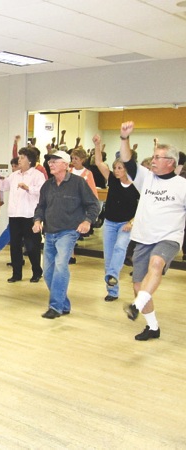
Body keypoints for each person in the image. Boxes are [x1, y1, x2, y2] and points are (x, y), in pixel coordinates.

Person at [119, 121, 186, 341]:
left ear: (171, 162)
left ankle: (136, 306)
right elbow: (128, 160)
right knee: (139, 286)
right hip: (143, 238)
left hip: (169, 238)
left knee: (157, 263)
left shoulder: (182, 185)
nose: (153, 160)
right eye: (153, 156)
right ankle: (153, 327)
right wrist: (124, 138)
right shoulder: (146, 178)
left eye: (158, 157)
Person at [32, 150, 99, 319]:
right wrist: (37, 220)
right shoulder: (48, 185)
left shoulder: (78, 183)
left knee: (61, 266)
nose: (50, 163)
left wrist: (87, 221)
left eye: (55, 161)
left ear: (66, 164)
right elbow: (41, 206)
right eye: (50, 161)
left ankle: (55, 307)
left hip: (68, 232)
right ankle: (64, 304)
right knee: (48, 272)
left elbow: (93, 205)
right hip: (50, 232)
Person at [92, 134, 140, 302]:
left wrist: (131, 222)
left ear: (128, 169)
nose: (117, 171)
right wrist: (97, 145)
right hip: (110, 223)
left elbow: (143, 207)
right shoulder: (112, 179)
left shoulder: (136, 185)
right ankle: (112, 292)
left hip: (126, 224)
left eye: (121, 168)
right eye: (116, 168)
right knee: (109, 257)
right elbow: (99, 163)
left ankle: (112, 274)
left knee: (121, 247)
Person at [2, 147, 45, 283]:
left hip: (30, 216)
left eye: (22, 158)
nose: (19, 160)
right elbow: (3, 186)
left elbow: (42, 192)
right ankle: (16, 274)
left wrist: (28, 188)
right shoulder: (14, 175)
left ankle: (37, 271)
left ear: (30, 160)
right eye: (19, 157)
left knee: (32, 246)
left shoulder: (37, 175)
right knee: (14, 245)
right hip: (14, 215)